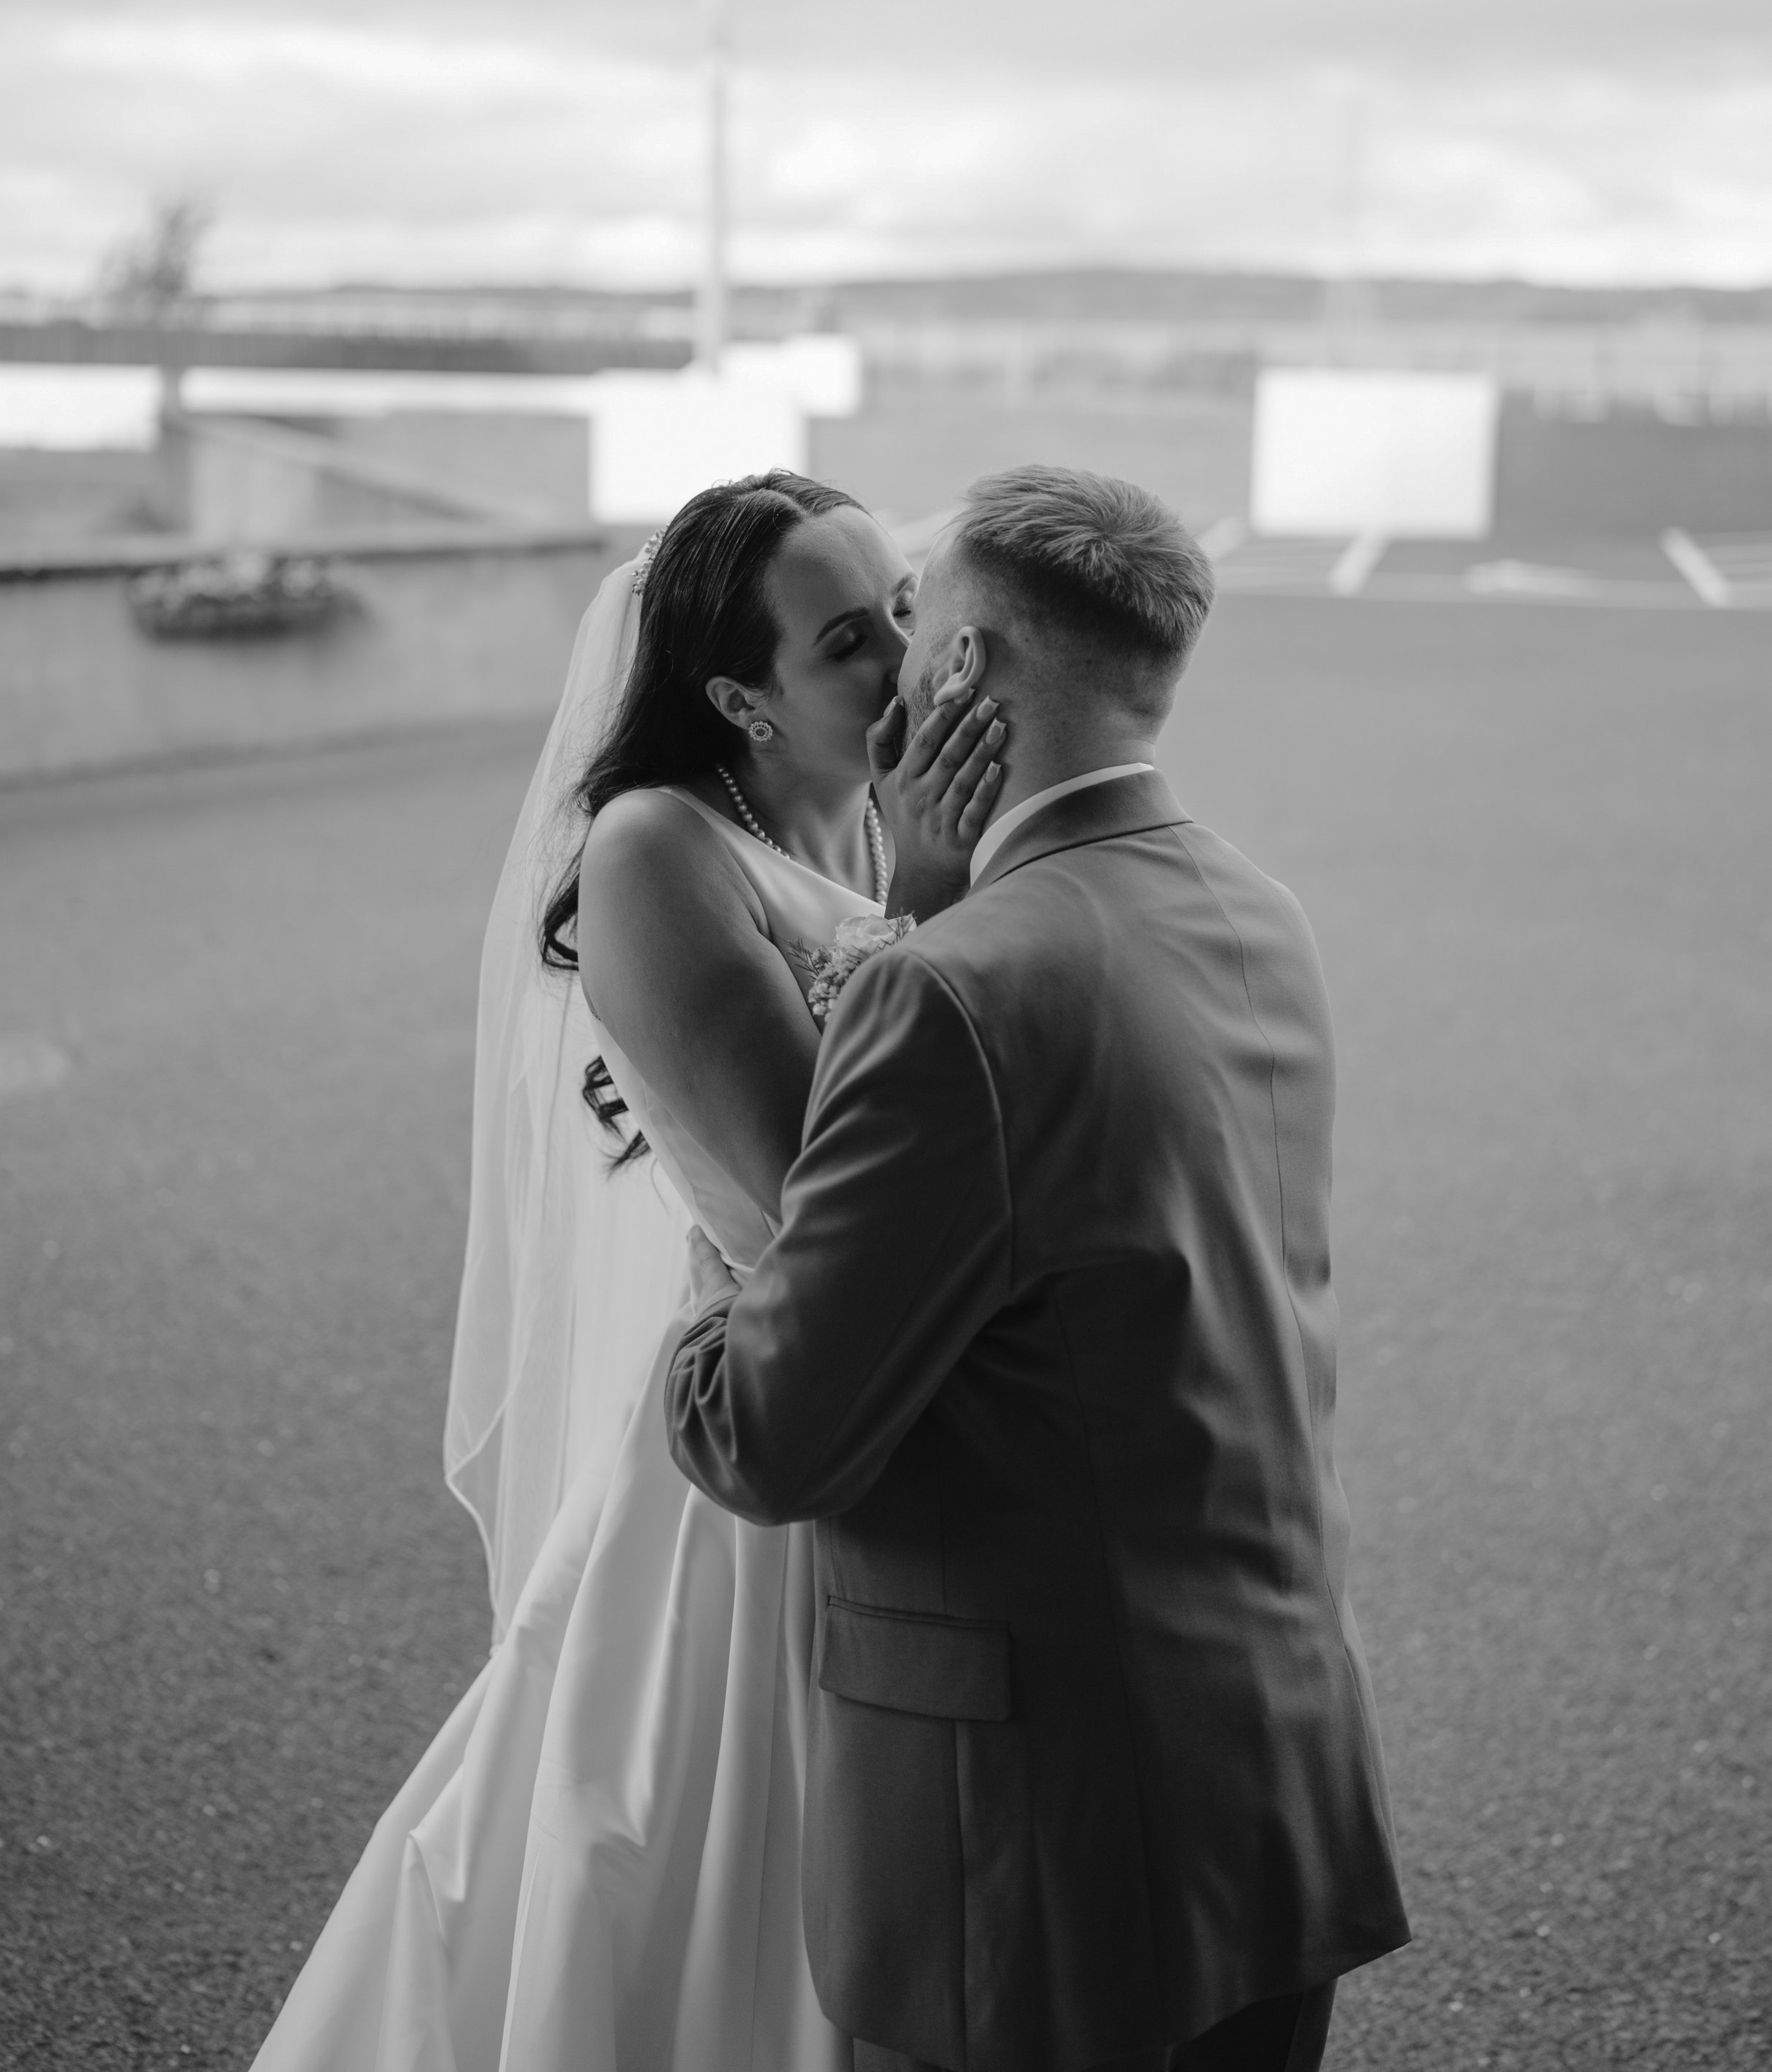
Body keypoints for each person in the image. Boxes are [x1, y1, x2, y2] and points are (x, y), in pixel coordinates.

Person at [250, 471, 1002, 2072]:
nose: (909, 661)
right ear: (734, 695)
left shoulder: (867, 810)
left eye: (909, 609)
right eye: (850, 640)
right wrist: (934, 904)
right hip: (757, 1447)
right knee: (695, 1867)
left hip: (891, 1390)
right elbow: (823, 1187)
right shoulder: (654, 849)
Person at [666, 464, 1410, 2072]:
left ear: (968, 672)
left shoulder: (947, 996)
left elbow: (764, 1435)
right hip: (1271, 1781)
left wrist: (706, 1249)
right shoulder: (1254, 909)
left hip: (1031, 1853)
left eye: (914, 619)